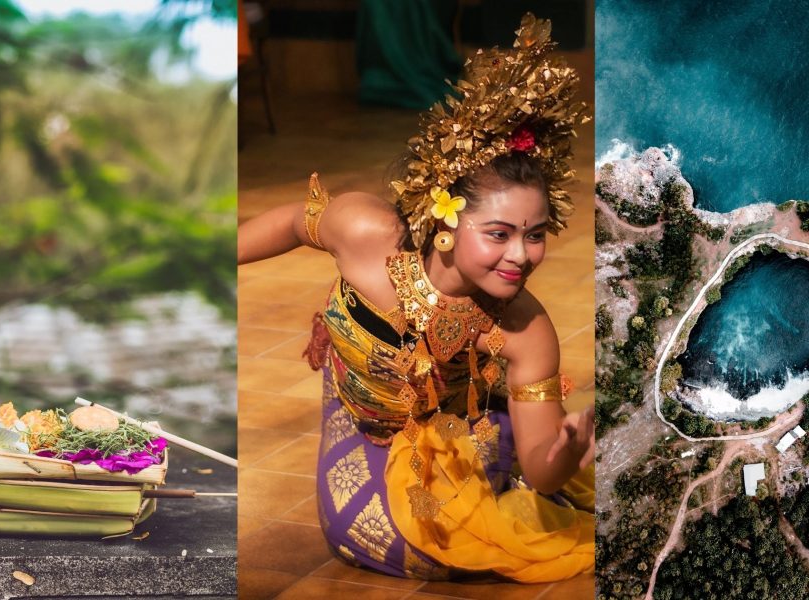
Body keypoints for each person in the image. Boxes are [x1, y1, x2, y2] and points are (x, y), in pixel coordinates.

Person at [238, 14, 595, 583]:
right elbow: (290, 223)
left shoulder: (526, 330)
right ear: (446, 220)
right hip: (363, 415)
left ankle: (486, 435)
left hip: (444, 427)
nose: (522, 256)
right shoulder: (368, 237)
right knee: (400, 541)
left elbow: (543, 467)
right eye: (499, 234)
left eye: (535, 234)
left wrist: (564, 454)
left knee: (469, 533)